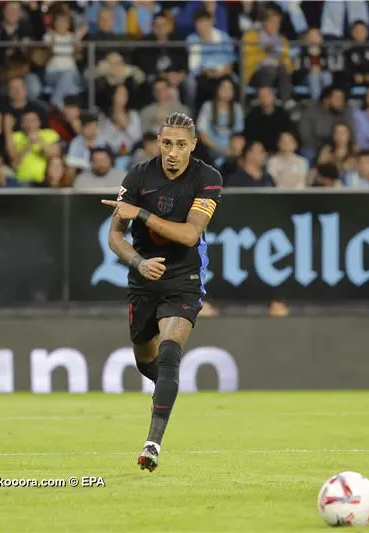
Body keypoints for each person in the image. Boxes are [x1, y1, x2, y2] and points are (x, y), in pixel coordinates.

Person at [99, 112, 222, 473]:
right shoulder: (138, 176)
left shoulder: (207, 178)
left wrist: (140, 213)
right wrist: (138, 263)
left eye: (181, 145)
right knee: (145, 357)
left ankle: (152, 444)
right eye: (166, 143)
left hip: (183, 275)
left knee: (170, 353)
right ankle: (166, 390)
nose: (172, 152)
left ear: (193, 146)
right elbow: (115, 236)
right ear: (158, 142)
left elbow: (189, 235)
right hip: (143, 279)